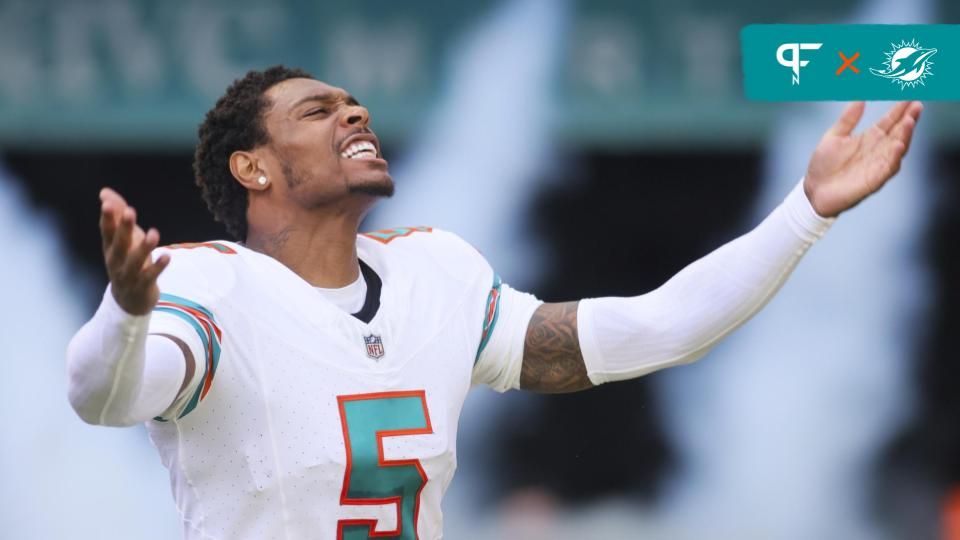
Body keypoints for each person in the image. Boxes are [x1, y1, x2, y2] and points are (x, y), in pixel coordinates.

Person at [66, 65, 922, 540]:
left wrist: (804, 213)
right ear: (253, 167)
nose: (354, 111)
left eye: (353, 101)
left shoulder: (436, 275)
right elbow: (101, 395)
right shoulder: (203, 282)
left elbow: (656, 327)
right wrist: (128, 311)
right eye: (317, 109)